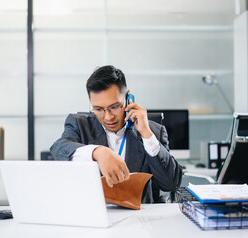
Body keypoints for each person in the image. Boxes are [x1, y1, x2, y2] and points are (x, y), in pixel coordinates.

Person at [50, 65, 182, 203]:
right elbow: (58, 148)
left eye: (114, 107)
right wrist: (98, 152)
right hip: (93, 213)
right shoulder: (79, 125)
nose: (108, 117)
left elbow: (171, 184)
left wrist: (146, 134)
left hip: (139, 217)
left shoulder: (154, 131)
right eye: (98, 109)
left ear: (128, 97)